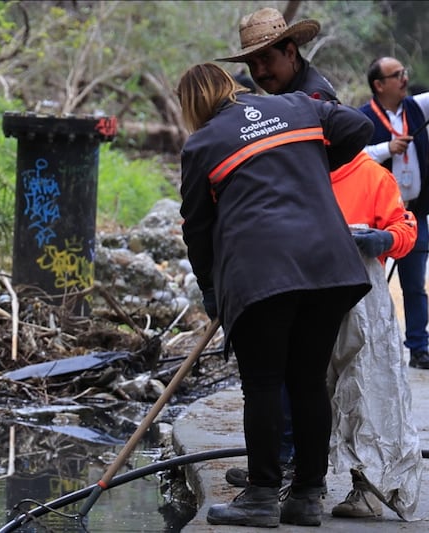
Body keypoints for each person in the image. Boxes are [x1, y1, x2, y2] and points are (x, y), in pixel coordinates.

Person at [177, 62, 373, 527]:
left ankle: (262, 496)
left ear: (192, 104)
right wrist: (308, 165)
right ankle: (307, 496)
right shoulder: (300, 106)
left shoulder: (203, 143)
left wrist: (211, 291)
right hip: (330, 267)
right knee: (307, 382)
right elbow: (360, 126)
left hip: (261, 274)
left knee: (264, 383)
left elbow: (197, 229)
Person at [216, 5, 333, 489]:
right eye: (253, 65)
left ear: (292, 51)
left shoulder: (315, 98)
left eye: (268, 60)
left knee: (288, 377)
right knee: (291, 376)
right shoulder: (276, 100)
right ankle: (291, 469)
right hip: (296, 252)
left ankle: (287, 468)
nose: (260, 73)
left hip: (306, 253)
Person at [327, 151, 422, 520]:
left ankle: (367, 488)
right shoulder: (300, 166)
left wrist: (384, 240)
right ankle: (302, 480)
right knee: (309, 391)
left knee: (367, 391)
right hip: (307, 293)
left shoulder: (371, 176)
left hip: (361, 301)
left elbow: (404, 228)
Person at [359, 57, 429, 370]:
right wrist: (387, 148)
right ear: (379, 84)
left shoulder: (416, 107)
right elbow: (354, 154)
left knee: (414, 285)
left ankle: (418, 347)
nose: (404, 78)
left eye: (404, 72)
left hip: (414, 214)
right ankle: (372, 349)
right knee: (371, 286)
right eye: (397, 74)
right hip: (377, 218)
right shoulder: (363, 118)